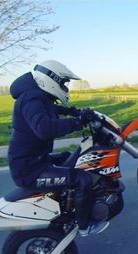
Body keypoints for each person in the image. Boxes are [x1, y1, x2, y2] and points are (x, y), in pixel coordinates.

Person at [7, 60, 109, 236]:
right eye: (63, 83)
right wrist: (78, 122)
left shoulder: (38, 96)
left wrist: (76, 113)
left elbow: (54, 109)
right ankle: (85, 225)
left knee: (71, 158)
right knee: (82, 179)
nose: (65, 88)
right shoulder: (31, 98)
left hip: (35, 160)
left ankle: (66, 205)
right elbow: (44, 129)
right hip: (29, 170)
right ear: (51, 79)